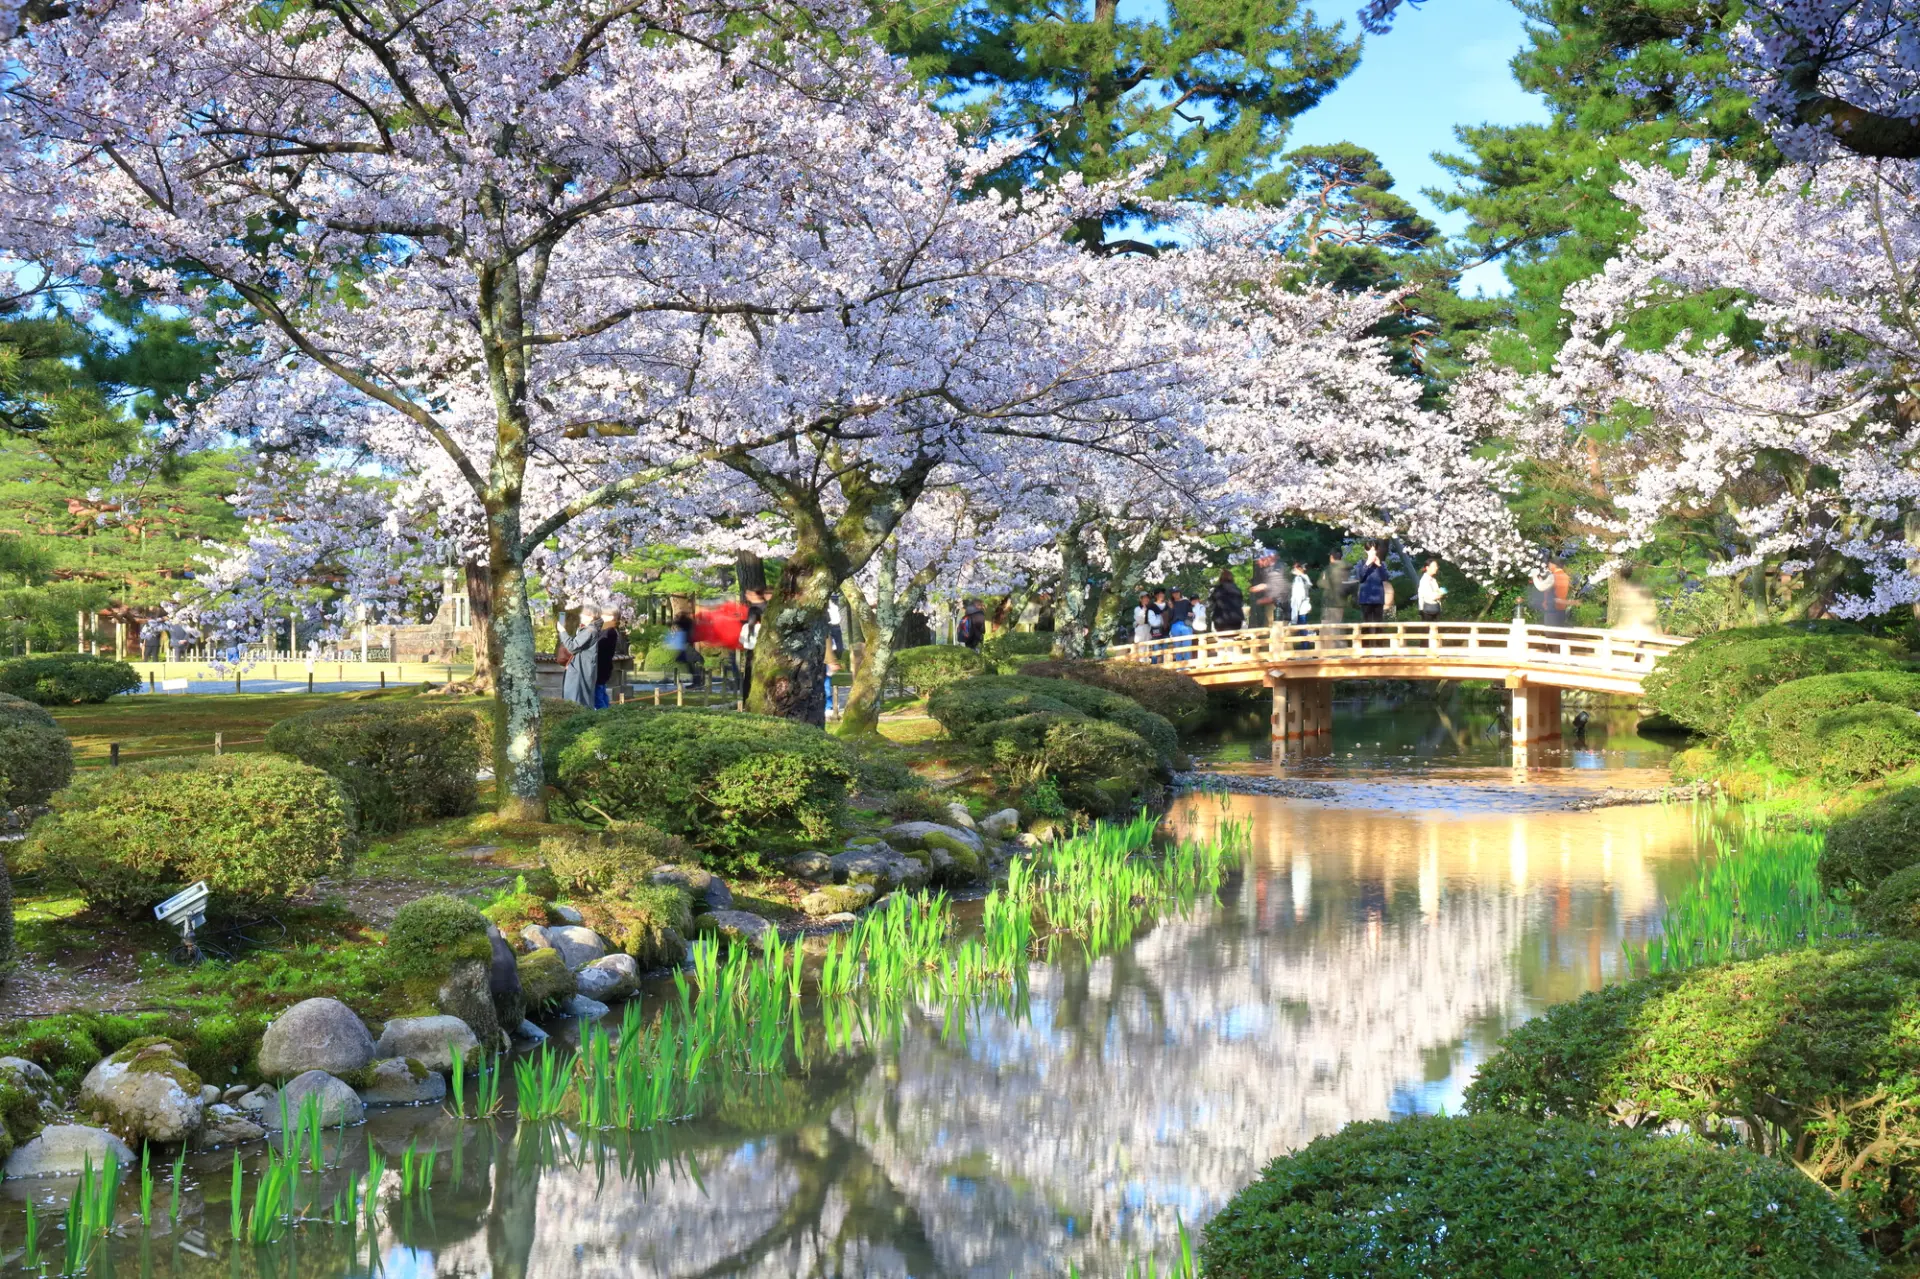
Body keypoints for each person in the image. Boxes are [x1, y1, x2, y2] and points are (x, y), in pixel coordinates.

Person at [560, 612, 603, 708]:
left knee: (576, 702)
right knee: (581, 700)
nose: (581, 616)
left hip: (580, 670)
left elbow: (572, 647)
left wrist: (562, 631)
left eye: (584, 614)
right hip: (581, 668)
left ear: (591, 616)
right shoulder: (588, 630)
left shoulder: (589, 631)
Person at [1351, 544, 1391, 630]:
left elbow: (1385, 578)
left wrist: (1379, 565)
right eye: (1370, 550)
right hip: (1365, 598)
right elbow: (1359, 577)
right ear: (1366, 551)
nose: (1372, 553)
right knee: (1365, 625)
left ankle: (1379, 643)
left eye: (1374, 550)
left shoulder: (1382, 564)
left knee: (1379, 625)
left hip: (1378, 598)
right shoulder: (1361, 563)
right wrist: (1367, 564)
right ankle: (1365, 643)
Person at [664, 612, 704, 688]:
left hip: (686, 646)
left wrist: (672, 621)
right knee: (688, 664)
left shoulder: (685, 622)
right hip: (685, 645)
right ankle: (696, 681)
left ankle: (697, 682)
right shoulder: (685, 623)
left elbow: (676, 623)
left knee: (691, 662)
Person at [593, 612, 621, 708]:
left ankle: (603, 717)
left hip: (601, 666)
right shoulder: (607, 631)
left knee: (598, 696)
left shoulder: (610, 632)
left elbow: (600, 647)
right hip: (603, 666)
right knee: (601, 693)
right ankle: (607, 714)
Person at [1319, 550, 1351, 626]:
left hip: (1329, 601)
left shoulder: (1328, 570)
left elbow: (1321, 583)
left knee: (1326, 625)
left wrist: (1323, 580)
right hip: (1341, 601)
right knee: (1338, 625)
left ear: (1331, 557)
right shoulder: (1346, 569)